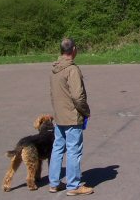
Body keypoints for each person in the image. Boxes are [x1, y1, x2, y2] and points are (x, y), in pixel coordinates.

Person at [48, 38, 93, 196]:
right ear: (73, 49)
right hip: (72, 116)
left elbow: (53, 94)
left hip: (59, 115)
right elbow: (78, 96)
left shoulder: (55, 68)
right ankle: (73, 186)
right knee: (74, 150)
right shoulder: (71, 69)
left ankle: (54, 182)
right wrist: (86, 111)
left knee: (58, 148)